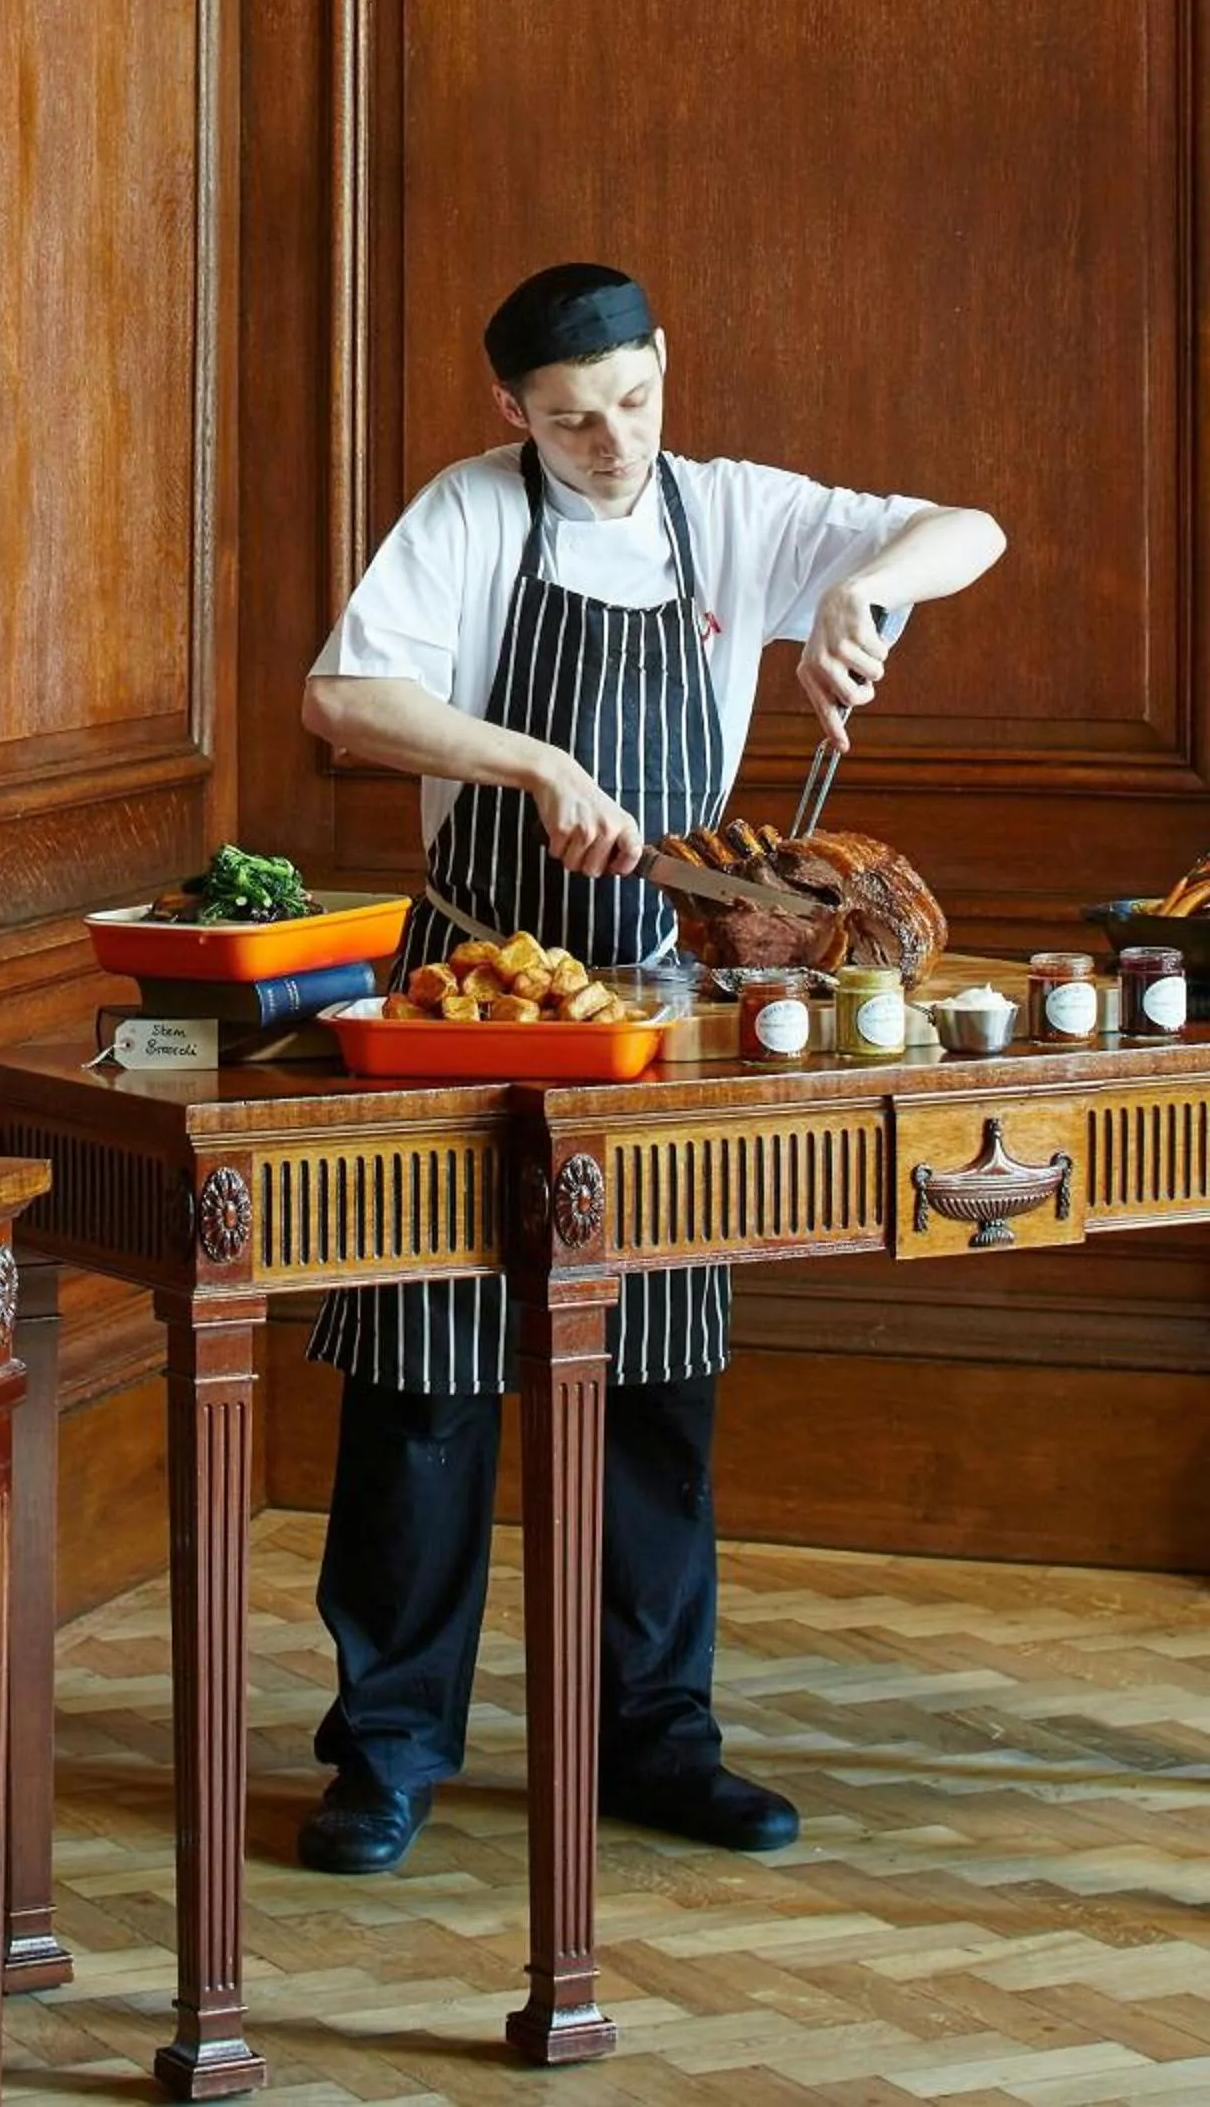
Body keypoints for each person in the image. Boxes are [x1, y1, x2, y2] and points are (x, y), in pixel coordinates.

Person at [295, 260, 1005, 1874]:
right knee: (425, 1379)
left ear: (663, 369)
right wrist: (528, 757)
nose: (610, 442)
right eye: (569, 420)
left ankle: (657, 1738)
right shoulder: (473, 516)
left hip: (659, 1012)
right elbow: (342, 692)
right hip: (469, 995)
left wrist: (858, 590)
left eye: (632, 403)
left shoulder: (730, 512)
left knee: (661, 1380)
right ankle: (388, 1754)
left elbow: (973, 529)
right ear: (509, 414)